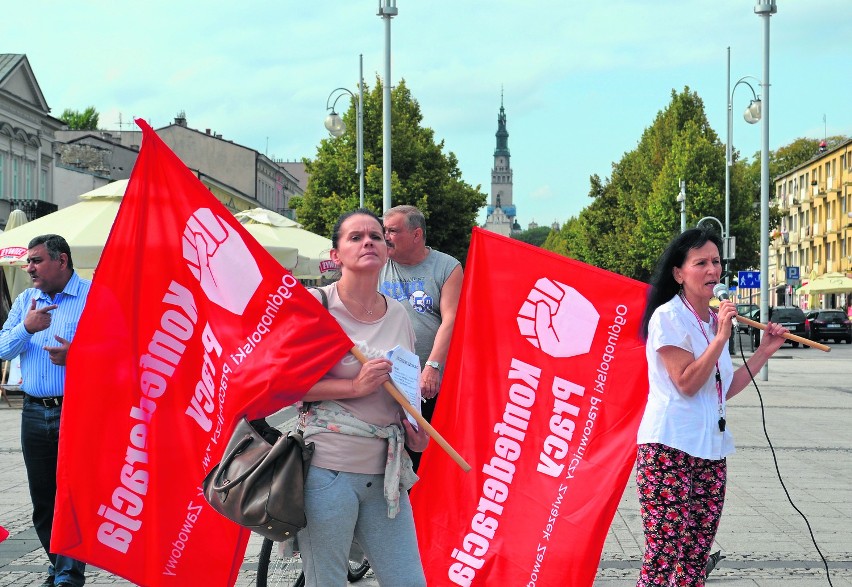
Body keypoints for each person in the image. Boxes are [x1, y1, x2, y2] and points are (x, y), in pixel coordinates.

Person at [635, 228, 789, 586]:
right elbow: (687, 383)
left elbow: (723, 388)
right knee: (664, 554)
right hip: (668, 449)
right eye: (700, 263)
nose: (712, 271)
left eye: (716, 262)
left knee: (694, 555)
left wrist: (764, 351)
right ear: (679, 273)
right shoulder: (668, 318)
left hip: (710, 450)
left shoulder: (709, 320)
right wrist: (721, 337)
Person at [298, 209, 428, 587]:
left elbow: (402, 387)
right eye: (355, 237)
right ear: (336, 255)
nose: (368, 241)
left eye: (375, 236)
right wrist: (354, 388)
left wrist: (414, 428)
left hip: (387, 474)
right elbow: (286, 387)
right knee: (329, 582)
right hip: (328, 472)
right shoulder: (316, 306)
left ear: (387, 251)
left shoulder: (399, 314)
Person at [0, 235, 89, 587]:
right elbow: (3, 348)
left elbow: (121, 349)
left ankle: (68, 576)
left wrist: (78, 357)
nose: (30, 268)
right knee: (43, 502)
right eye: (28, 262)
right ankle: (58, 567)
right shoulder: (26, 300)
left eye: (36, 261)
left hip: (78, 411)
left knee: (72, 498)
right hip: (33, 413)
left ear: (62, 260)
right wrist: (26, 327)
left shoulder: (93, 296)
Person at [378, 205, 462, 471]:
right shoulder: (377, 262)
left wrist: (433, 367)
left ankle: (417, 510)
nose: (385, 237)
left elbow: (451, 319)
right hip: (383, 378)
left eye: (392, 231)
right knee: (382, 454)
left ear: (416, 234)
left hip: (426, 383)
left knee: (422, 457)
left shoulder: (446, 267)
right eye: (384, 230)